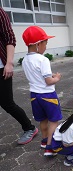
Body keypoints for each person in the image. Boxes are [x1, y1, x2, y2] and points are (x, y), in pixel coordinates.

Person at [22, 26, 62, 156]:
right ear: (38, 44)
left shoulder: (25, 60)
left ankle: (45, 141)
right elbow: (48, 81)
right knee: (54, 121)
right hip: (48, 95)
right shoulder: (43, 59)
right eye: (45, 43)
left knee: (43, 120)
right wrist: (56, 78)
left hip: (34, 96)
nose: (46, 46)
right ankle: (50, 147)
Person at [0, 7, 38, 145]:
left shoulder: (0, 12)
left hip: (1, 68)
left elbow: (9, 37)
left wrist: (9, 63)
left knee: (7, 103)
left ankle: (29, 128)